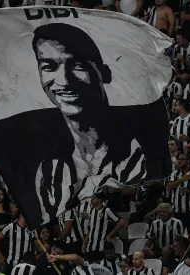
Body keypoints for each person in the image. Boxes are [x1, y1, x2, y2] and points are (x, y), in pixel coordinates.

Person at [32, 23, 147, 225]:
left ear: (104, 73)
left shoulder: (137, 150)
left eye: (77, 65)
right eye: (49, 66)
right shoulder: (49, 166)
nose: (64, 80)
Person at [0, 211, 34, 275]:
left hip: (26, 266)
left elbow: (37, 245)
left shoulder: (32, 229)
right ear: (21, 216)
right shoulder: (11, 226)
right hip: (10, 264)